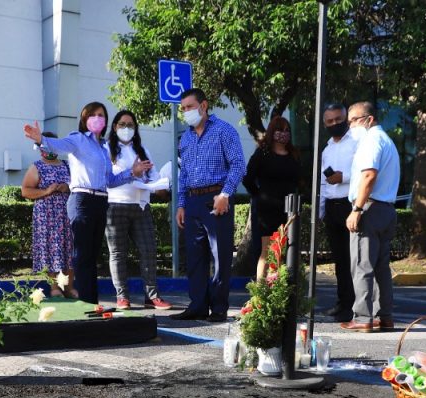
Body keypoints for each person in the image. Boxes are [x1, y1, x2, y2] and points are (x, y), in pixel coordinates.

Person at [23, 103, 152, 306]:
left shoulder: (102, 149)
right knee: (82, 256)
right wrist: (41, 139)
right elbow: (59, 145)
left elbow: (110, 180)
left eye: (101, 115)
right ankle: (85, 305)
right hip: (82, 200)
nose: (97, 118)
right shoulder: (79, 139)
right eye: (92, 115)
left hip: (101, 201)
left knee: (92, 257)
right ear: (84, 119)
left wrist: (132, 173)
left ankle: (92, 303)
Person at [174, 88, 246, 322]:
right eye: (183, 108)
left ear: (203, 106)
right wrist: (181, 204)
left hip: (217, 198)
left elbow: (237, 165)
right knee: (194, 257)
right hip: (193, 200)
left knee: (220, 254)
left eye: (189, 107)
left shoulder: (224, 130)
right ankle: (197, 305)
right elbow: (182, 174)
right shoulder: (185, 138)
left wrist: (225, 194)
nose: (186, 112)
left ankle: (218, 308)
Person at [340, 101, 401, 333]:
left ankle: (363, 317)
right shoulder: (387, 141)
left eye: (353, 121)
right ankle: (384, 316)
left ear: (369, 119)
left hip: (370, 208)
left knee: (362, 265)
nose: (350, 126)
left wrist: (356, 209)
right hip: (386, 209)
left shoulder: (371, 141)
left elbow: (368, 175)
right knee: (380, 268)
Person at [104, 111, 172, 310]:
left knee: (149, 250)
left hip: (141, 206)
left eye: (131, 125)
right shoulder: (106, 149)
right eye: (122, 124)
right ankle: (122, 297)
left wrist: (160, 185)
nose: (127, 129)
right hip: (115, 206)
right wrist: (131, 173)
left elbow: (153, 177)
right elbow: (107, 179)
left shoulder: (143, 150)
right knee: (118, 253)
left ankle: (152, 296)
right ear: (115, 127)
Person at [243, 115, 304, 282]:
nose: (283, 134)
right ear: (272, 132)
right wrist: (259, 195)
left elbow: (299, 180)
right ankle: (261, 292)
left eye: (286, 131)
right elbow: (247, 178)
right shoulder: (262, 154)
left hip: (289, 209)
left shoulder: (294, 154)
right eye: (279, 130)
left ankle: (282, 290)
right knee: (267, 250)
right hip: (267, 209)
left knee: (286, 250)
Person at [21, 131, 75, 297]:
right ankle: (55, 288)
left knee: (69, 250)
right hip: (46, 217)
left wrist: (67, 187)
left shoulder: (68, 165)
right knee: (51, 250)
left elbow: (78, 184)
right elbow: (26, 191)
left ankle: (68, 287)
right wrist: (46, 191)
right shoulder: (36, 166)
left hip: (67, 215)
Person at [317, 103, 358, 320]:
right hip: (332, 206)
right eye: (330, 121)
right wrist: (321, 209)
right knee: (340, 260)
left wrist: (344, 177)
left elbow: (365, 171)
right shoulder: (327, 149)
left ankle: (356, 306)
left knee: (354, 259)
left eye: (338, 120)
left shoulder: (356, 142)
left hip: (350, 203)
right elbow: (324, 182)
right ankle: (343, 303)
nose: (335, 124)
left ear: (346, 119)